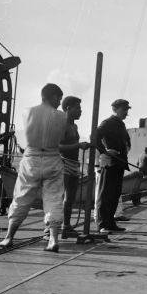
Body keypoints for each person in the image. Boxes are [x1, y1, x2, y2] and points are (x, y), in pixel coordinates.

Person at [0, 83, 67, 252]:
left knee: (21, 197)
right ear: (53, 97)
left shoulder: (27, 111)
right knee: (54, 198)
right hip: (52, 157)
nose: (60, 102)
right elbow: (61, 137)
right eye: (59, 98)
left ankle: (8, 238)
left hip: (31, 158)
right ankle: (53, 240)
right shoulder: (62, 116)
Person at [95, 99, 132, 233]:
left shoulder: (121, 125)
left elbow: (126, 140)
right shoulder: (108, 123)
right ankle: (102, 224)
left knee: (114, 195)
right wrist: (105, 151)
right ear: (115, 109)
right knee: (105, 195)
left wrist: (127, 148)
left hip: (119, 163)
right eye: (124, 110)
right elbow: (94, 136)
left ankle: (110, 223)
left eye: (127, 110)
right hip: (109, 163)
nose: (126, 113)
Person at [59, 96, 90, 239]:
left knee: (70, 198)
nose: (81, 111)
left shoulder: (75, 126)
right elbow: (58, 146)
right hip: (63, 163)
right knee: (59, 197)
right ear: (68, 108)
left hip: (74, 164)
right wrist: (78, 145)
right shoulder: (61, 124)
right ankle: (50, 228)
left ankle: (66, 226)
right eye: (78, 108)